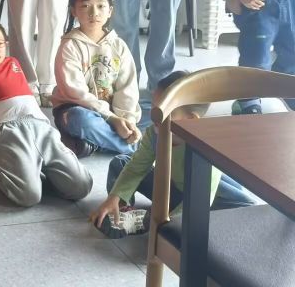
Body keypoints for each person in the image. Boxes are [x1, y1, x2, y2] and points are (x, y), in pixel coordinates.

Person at [89, 70, 254, 238]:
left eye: (163, 112)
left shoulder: (206, 147)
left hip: (210, 204)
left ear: (190, 120)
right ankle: (122, 209)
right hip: (173, 192)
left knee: (231, 218)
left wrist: (163, 225)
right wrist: (115, 197)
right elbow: (136, 168)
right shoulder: (154, 133)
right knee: (121, 163)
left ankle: (151, 221)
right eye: (153, 108)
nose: (154, 116)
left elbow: (198, 201)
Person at [0, 20, 92, 206]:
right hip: (6, 131)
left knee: (81, 187)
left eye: (0, 43)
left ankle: (35, 166)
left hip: (42, 127)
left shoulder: (13, 62)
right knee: (28, 196)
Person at [51, 0, 141, 157]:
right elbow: (76, 93)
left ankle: (92, 143)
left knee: (137, 119)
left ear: (110, 11)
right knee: (80, 120)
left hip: (112, 114)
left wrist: (126, 121)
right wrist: (112, 119)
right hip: (75, 109)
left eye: (101, 6)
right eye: (85, 6)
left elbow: (127, 88)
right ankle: (133, 149)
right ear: (73, 11)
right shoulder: (69, 46)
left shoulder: (119, 46)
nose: (94, 13)